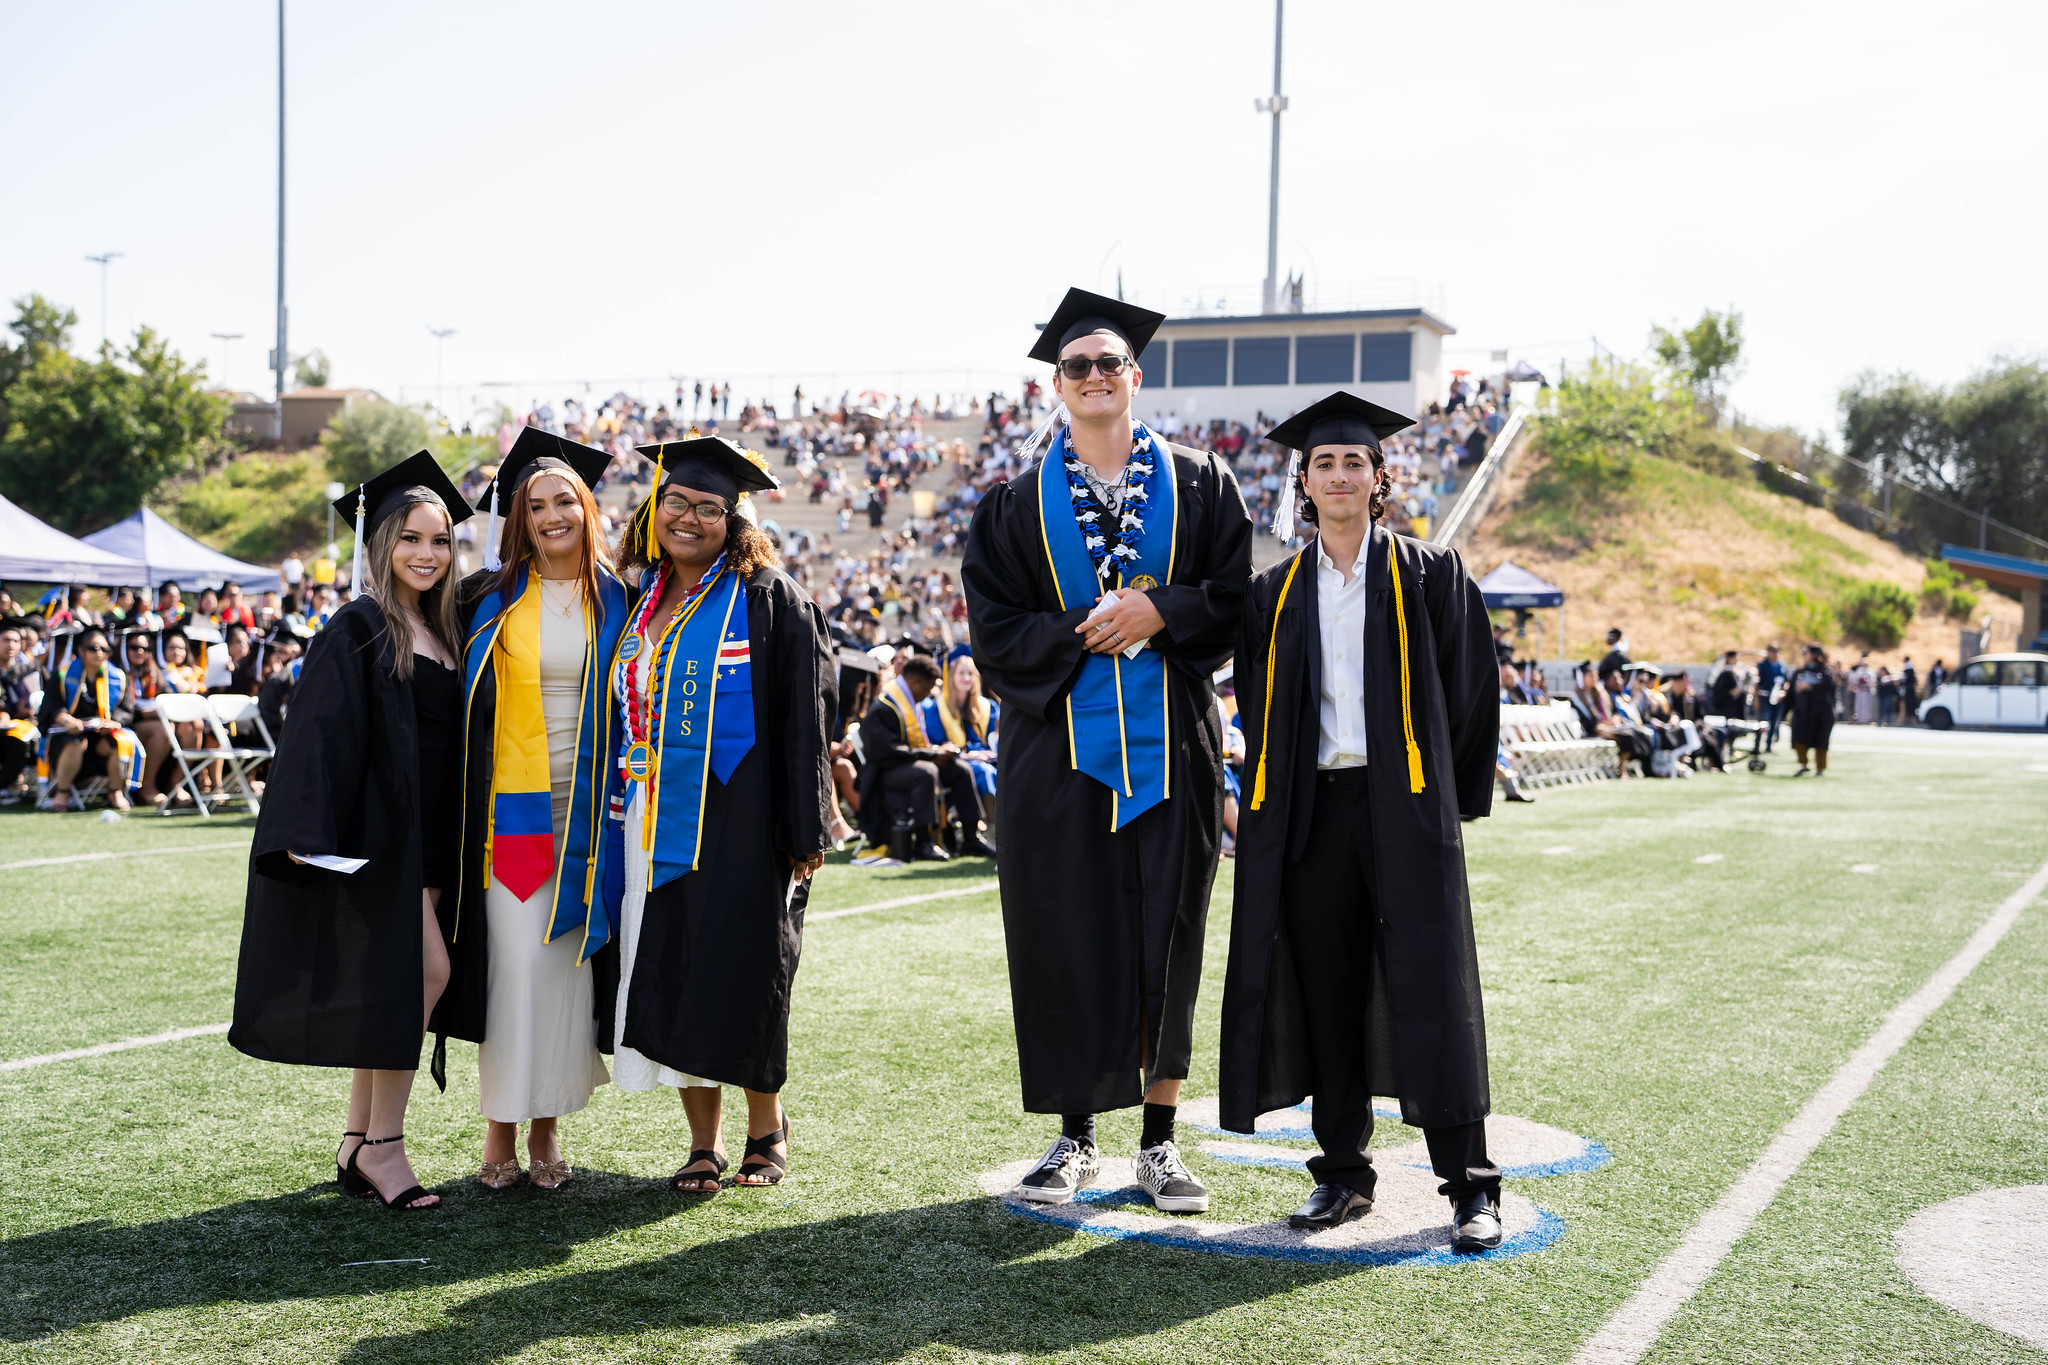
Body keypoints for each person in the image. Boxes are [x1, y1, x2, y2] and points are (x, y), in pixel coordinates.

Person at [963, 288, 1252, 1215]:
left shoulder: (1206, 482)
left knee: (1170, 929)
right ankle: (1075, 1136)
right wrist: (1087, 629)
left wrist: (1161, 608)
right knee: (1064, 930)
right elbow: (995, 631)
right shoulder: (1010, 505)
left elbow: (1237, 598)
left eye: (1108, 364)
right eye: (1076, 365)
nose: (1094, 377)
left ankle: (1160, 1145)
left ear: (1136, 375)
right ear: (1057, 385)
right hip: (1057, 755)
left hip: (1174, 744)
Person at [1217, 391, 1505, 1251]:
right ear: (1303, 482)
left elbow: (1469, 691)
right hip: (1311, 812)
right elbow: (1261, 708)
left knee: (1434, 987)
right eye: (1324, 463)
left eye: (1355, 461)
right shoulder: (1273, 594)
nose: (1339, 474)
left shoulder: (1430, 572)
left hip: (1403, 805)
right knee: (1328, 989)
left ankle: (1470, 1184)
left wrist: (1439, 804)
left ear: (1381, 477)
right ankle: (1343, 1174)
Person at [229, 450, 473, 1212]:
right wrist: (304, 827)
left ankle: (356, 1138)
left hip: (434, 839)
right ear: (381, 545)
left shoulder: (444, 627)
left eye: (439, 540)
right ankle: (384, 1148)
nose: (427, 554)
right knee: (419, 977)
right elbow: (320, 731)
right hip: (382, 837)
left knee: (394, 980)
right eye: (411, 539)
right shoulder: (361, 624)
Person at [612, 437, 836, 1194]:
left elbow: (805, 718)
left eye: (709, 507)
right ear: (655, 507)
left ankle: (764, 1129)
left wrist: (804, 826)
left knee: (744, 968)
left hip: (740, 820)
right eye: (676, 502)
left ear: (733, 521)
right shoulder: (640, 596)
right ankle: (700, 1142)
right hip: (650, 819)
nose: (689, 517)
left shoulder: (768, 596)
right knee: (673, 967)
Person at [442, 431, 627, 1192]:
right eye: (536, 504)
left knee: (563, 975)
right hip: (508, 816)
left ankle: (547, 1128)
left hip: (589, 815)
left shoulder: (617, 596)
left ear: (587, 510)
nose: (553, 515)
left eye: (564, 502)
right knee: (513, 970)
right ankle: (498, 1131)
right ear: (519, 518)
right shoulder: (484, 596)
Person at [855, 653, 995, 860]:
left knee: (960, 770)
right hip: (884, 771)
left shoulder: (912, 701)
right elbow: (887, 752)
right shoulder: (884, 706)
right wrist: (932, 754)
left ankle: (970, 837)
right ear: (913, 682)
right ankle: (924, 843)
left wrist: (938, 752)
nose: (930, 693)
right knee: (926, 772)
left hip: (908, 762)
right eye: (927, 688)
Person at [37, 626, 136, 813]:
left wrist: (114, 722)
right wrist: (65, 719)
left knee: (117, 742)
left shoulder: (118, 678)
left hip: (101, 735)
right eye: (93, 648)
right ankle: (62, 792)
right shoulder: (61, 675)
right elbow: (49, 707)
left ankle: (115, 791)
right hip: (68, 735)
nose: (99, 653)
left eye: (104, 649)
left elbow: (127, 711)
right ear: (80, 650)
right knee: (75, 742)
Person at [921, 643, 999, 806]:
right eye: (961, 673)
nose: (966, 678)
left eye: (970, 673)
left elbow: (995, 739)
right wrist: (968, 755)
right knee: (984, 772)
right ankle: (993, 822)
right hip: (958, 760)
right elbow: (937, 745)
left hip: (987, 758)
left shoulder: (987, 706)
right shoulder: (935, 708)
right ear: (951, 675)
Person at [1788, 644, 1836, 776]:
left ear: (1814, 654)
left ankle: (1820, 769)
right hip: (1802, 713)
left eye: (1805, 653)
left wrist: (1810, 687)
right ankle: (1804, 765)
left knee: (1821, 742)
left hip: (1821, 713)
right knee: (1798, 739)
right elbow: (1791, 692)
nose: (1803, 656)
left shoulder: (1826, 672)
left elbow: (1828, 689)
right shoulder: (1799, 672)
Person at [1755, 644, 1788, 751]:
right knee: (1762, 722)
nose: (1774, 654)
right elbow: (1756, 682)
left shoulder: (1782, 666)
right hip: (1764, 696)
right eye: (1772, 651)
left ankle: (1768, 745)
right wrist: (1756, 698)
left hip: (1777, 697)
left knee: (1774, 722)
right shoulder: (1762, 665)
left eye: (1776, 651)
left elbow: (1786, 682)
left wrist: (1783, 692)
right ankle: (1757, 744)